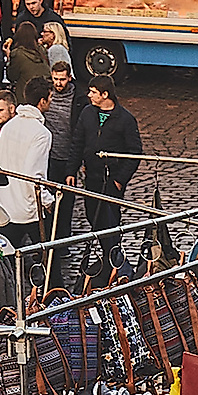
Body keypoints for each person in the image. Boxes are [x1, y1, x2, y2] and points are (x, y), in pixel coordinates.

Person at [70, 80, 143, 266]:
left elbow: (134, 152)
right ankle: (106, 257)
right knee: (92, 217)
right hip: (92, 178)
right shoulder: (87, 113)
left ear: (105, 94)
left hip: (111, 180)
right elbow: (78, 143)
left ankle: (113, 261)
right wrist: (71, 170)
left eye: (94, 92)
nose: (89, 95)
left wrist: (120, 180)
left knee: (110, 222)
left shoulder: (125, 119)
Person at [0, 85, 54, 247]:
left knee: (8, 261)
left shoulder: (9, 126)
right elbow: (33, 175)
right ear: (42, 101)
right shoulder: (41, 133)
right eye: (50, 98)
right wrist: (48, 201)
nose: (51, 101)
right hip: (28, 208)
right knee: (49, 259)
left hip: (5, 203)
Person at [41, 63, 80, 244]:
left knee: (66, 202)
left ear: (69, 78)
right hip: (48, 157)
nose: (58, 83)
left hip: (67, 158)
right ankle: (50, 236)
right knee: (48, 199)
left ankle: (64, 239)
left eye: (62, 79)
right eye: (56, 79)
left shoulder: (78, 98)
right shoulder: (47, 96)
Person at [7, 21, 47, 92]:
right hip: (42, 92)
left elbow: (11, 76)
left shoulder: (17, 54)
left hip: (25, 95)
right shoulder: (42, 50)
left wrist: (8, 57)